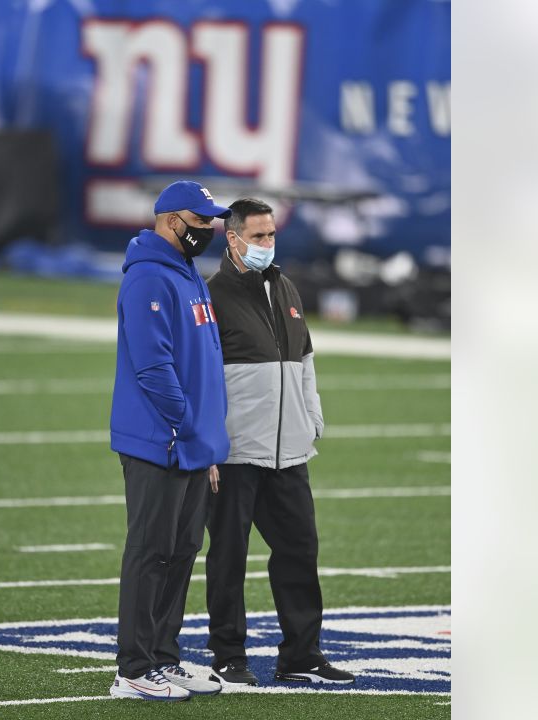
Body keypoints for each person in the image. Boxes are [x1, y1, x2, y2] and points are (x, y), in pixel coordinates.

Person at [204, 198, 356, 686]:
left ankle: (301, 654)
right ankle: (229, 656)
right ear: (233, 239)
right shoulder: (210, 294)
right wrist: (210, 441)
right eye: (260, 236)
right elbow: (204, 376)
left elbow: (305, 359)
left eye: (272, 235)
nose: (268, 244)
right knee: (228, 556)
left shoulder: (286, 285)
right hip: (235, 453)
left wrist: (312, 415)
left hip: (289, 452)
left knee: (299, 550)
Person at [107, 180, 232, 701]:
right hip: (159, 440)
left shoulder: (189, 275)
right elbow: (153, 367)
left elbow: (204, 363)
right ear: (170, 220)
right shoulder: (149, 279)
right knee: (150, 550)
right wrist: (184, 426)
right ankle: (133, 668)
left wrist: (205, 444)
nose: (208, 230)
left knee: (181, 551)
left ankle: (163, 656)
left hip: (189, 442)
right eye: (200, 221)